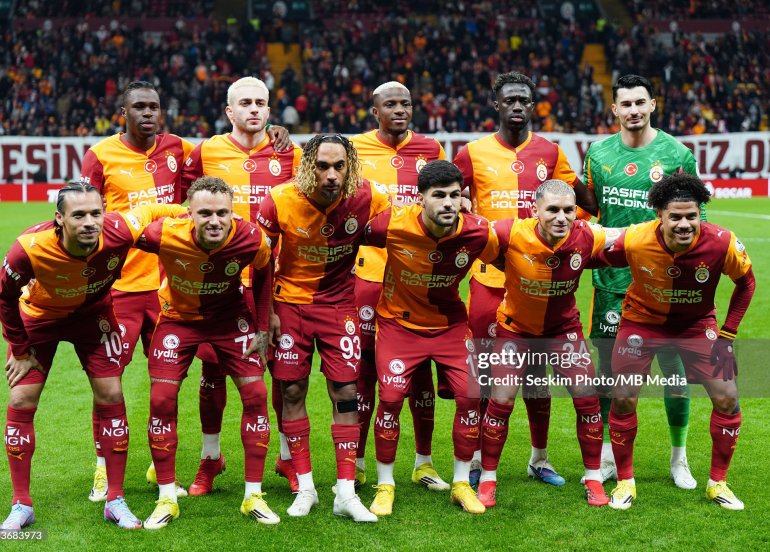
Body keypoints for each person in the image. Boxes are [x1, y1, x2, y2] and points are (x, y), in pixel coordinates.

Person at [0, 182, 183, 531]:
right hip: (39, 318)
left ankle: (115, 500)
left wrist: (190, 214)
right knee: (21, 399)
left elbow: (155, 210)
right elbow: (5, 297)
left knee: (111, 394)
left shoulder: (119, 229)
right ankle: (21, 504)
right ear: (59, 218)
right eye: (79, 215)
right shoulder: (29, 248)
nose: (89, 222)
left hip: (93, 317)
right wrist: (20, 350)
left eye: (96, 213)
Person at [453, 71, 598, 487]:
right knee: (485, 376)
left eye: (524, 100)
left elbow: (583, 202)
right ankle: (478, 459)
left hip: (540, 283)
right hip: (488, 281)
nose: (517, 106)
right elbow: (448, 201)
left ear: (533, 106)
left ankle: (539, 458)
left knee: (536, 376)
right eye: (510, 100)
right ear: (495, 104)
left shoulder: (550, 152)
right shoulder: (471, 153)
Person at [597, 174, 754, 510]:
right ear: (660, 215)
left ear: (700, 214)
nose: (684, 224)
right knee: (622, 398)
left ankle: (718, 483)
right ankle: (625, 480)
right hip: (641, 323)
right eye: (676, 217)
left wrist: (727, 335)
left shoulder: (723, 242)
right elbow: (595, 256)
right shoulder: (636, 238)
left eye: (691, 216)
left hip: (696, 326)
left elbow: (747, 283)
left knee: (728, 398)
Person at [256, 134, 390, 522]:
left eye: (339, 166)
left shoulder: (370, 197)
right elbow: (260, 261)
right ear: (308, 166)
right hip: (290, 306)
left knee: (346, 392)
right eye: (323, 166)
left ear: (351, 167)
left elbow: (406, 227)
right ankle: (306, 487)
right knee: (291, 389)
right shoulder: (279, 199)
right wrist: (266, 315)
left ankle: (345, 492)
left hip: (339, 306)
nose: (331, 175)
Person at [178, 76, 302, 496]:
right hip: (220, 284)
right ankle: (210, 458)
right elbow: (182, 207)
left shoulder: (291, 153)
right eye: (245, 103)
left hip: (278, 282)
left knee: (284, 375)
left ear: (269, 109)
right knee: (212, 373)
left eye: (260, 103)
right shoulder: (206, 151)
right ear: (229, 111)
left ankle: (286, 457)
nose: (254, 109)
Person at [138, 176, 278, 529]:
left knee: (256, 396)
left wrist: (262, 327)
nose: (214, 221)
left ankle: (253, 496)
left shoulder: (251, 237)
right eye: (205, 214)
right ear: (189, 214)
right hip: (177, 319)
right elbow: (115, 241)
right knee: (161, 401)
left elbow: (265, 270)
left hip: (230, 320)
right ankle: (167, 498)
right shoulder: (162, 233)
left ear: (232, 213)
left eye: (222, 213)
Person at [583, 74, 699, 487]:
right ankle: (607, 456)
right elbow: (590, 211)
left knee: (675, 374)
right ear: (614, 109)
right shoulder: (598, 153)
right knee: (608, 374)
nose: (633, 110)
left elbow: (694, 219)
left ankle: (679, 458)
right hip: (610, 283)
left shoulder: (677, 154)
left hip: (664, 285)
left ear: (653, 105)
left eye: (640, 102)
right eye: (625, 104)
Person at [365, 160, 499, 516]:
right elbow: (350, 237)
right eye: (439, 195)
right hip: (398, 324)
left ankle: (460, 484)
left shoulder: (478, 231)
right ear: (419, 198)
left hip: (450, 326)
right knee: (390, 399)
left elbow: (510, 256)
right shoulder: (393, 223)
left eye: (455, 195)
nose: (448, 203)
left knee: (471, 396)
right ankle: (385, 485)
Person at [477, 180, 621, 509]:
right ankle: (487, 479)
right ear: (535, 211)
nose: (561, 217)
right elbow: (472, 237)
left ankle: (593, 478)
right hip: (515, 331)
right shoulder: (509, 232)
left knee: (587, 400)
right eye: (553, 210)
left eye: (568, 210)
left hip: (562, 332)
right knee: (501, 401)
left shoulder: (587, 234)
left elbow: (629, 236)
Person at [351, 81, 448, 491]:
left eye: (405, 104)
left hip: (418, 279)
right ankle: (356, 462)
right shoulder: (354, 150)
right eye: (390, 104)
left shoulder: (430, 149)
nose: (399, 110)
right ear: (375, 112)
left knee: (421, 372)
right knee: (363, 373)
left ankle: (423, 462)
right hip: (368, 277)